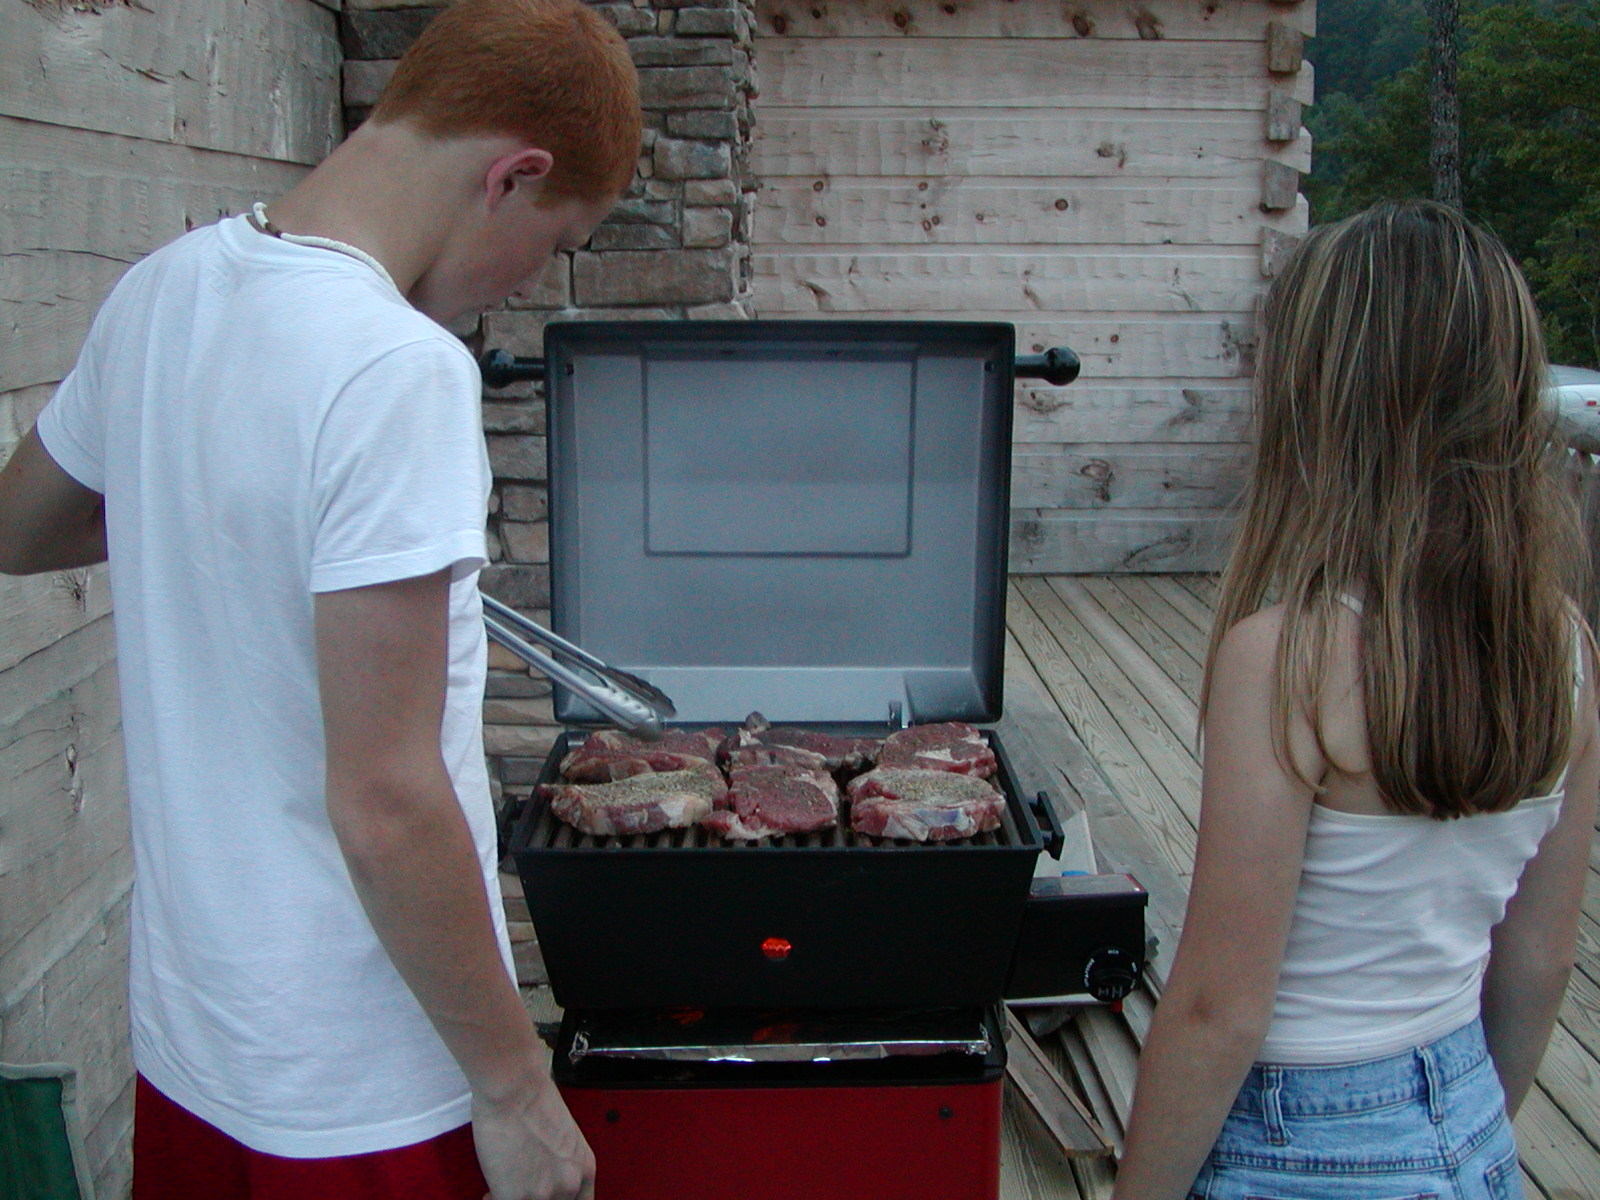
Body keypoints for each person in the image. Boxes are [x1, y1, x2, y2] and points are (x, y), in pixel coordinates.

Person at [0, 2, 640, 1197]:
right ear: (514, 175)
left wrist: (195, 510)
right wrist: (517, 1090)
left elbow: (19, 524)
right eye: (552, 244)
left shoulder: (164, 292)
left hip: (195, 1048)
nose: (522, 283)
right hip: (362, 1086)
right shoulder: (395, 368)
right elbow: (388, 802)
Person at [1111, 200, 1599, 1200]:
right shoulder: (1564, 642)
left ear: (1320, 397)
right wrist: (1452, 1132)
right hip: (1464, 1116)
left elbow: (1217, 1010)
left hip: (1297, 1137)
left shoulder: (1283, 656)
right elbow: (1542, 954)